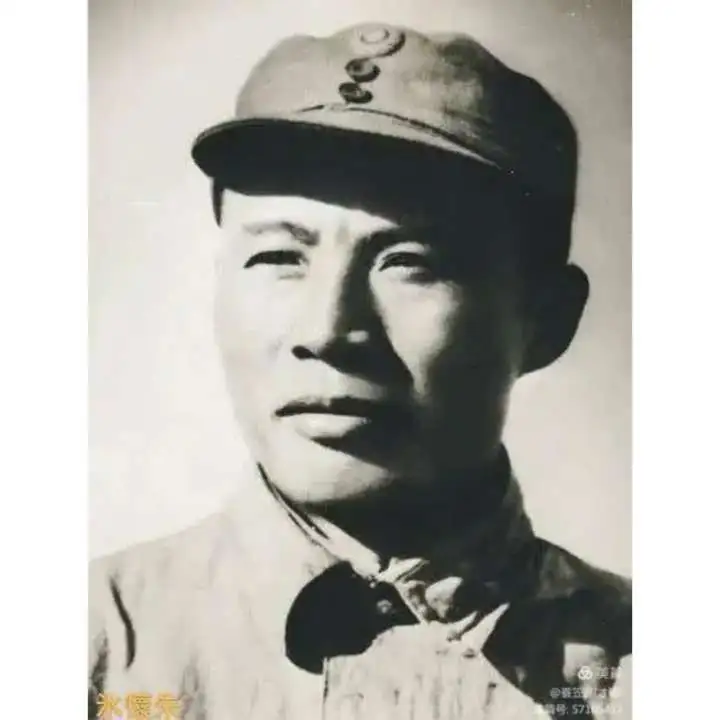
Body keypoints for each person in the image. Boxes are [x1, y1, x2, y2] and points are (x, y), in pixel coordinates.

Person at [89, 22, 631, 719]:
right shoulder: (84, 651)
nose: (326, 332)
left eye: (412, 263)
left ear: (547, 320)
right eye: (278, 258)